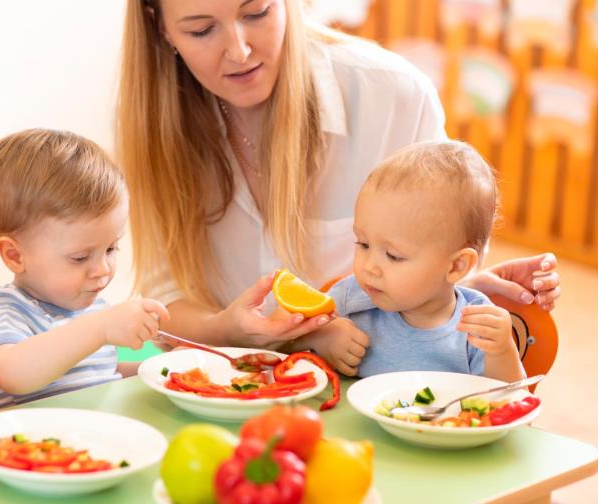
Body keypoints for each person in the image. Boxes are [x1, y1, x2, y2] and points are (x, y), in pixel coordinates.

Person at [117, 0, 561, 375]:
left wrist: (462, 285)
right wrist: (228, 327)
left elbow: (435, 249)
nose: (239, 50)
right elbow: (166, 305)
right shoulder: (154, 125)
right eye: (201, 30)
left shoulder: (393, 95)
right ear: (161, 28)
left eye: (257, 12)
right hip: (230, 380)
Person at [0, 129, 169, 411]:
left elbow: (97, 377)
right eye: (80, 257)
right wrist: (100, 328)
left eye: (111, 249)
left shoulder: (94, 308)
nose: (102, 269)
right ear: (15, 255)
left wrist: (155, 367)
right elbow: (13, 375)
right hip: (27, 449)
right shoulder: (3, 312)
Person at [327, 140, 525, 382]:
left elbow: (512, 401)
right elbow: (279, 344)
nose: (369, 267)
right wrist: (320, 337)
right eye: (363, 244)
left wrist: (503, 352)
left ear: (456, 266)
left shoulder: (474, 324)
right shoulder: (351, 298)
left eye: (393, 256)